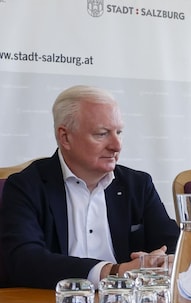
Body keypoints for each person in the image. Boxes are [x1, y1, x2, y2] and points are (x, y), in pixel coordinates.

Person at [0, 85, 179, 289]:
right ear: (65, 137)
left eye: (118, 132)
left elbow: (173, 241)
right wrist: (113, 272)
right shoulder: (26, 186)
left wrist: (165, 260)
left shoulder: (137, 185)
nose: (116, 145)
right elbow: (25, 261)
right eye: (102, 134)